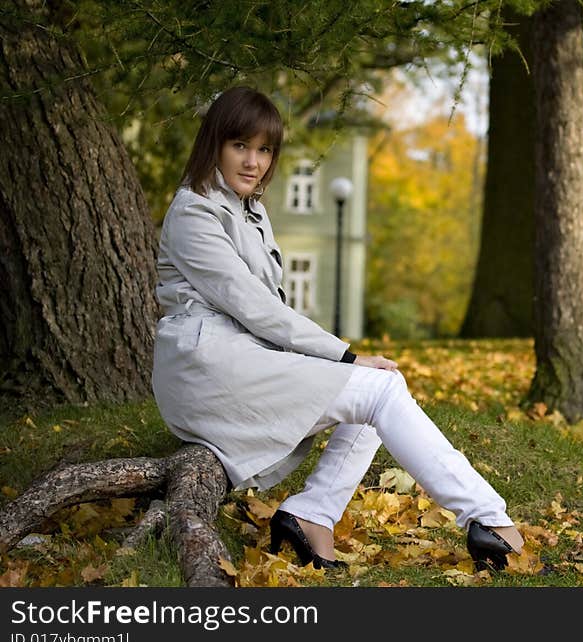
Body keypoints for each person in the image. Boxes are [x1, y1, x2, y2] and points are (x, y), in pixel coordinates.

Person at [151, 86, 523, 572]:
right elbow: (257, 309)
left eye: (265, 150)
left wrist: (339, 359)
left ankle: (311, 516)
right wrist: (344, 355)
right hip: (206, 372)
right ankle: (490, 520)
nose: (254, 162)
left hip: (238, 358)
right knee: (378, 389)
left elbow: (266, 313)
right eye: (240, 145)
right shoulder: (194, 212)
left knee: (378, 392)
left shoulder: (249, 212)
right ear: (214, 144)